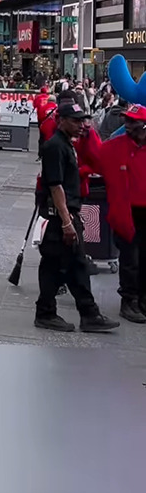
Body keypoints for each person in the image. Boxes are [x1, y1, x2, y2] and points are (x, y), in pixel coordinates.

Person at [34, 101, 119, 333]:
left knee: (70, 265)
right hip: (59, 217)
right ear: (61, 120)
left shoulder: (68, 144)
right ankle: (57, 312)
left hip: (66, 215)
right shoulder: (55, 147)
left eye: (83, 120)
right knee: (64, 264)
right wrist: (66, 222)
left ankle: (80, 312)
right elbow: (55, 186)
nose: (82, 125)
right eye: (76, 120)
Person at [98, 104, 146, 323]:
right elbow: (91, 159)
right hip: (127, 213)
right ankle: (129, 301)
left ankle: (142, 300)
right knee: (130, 259)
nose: (127, 126)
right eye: (127, 121)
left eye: (133, 122)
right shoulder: (114, 147)